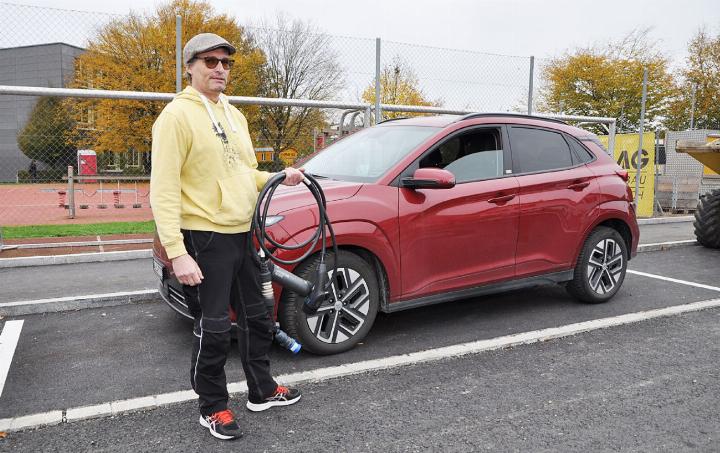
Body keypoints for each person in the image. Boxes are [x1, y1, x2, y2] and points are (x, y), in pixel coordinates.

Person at [150, 33, 305, 441]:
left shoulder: (234, 115)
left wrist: (276, 177)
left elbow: (241, 174)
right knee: (215, 325)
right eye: (210, 61)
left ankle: (262, 390)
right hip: (204, 237)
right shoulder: (175, 117)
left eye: (226, 62)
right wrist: (177, 253)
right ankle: (213, 406)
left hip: (243, 233)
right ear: (190, 66)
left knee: (256, 318)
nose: (220, 68)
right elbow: (163, 190)